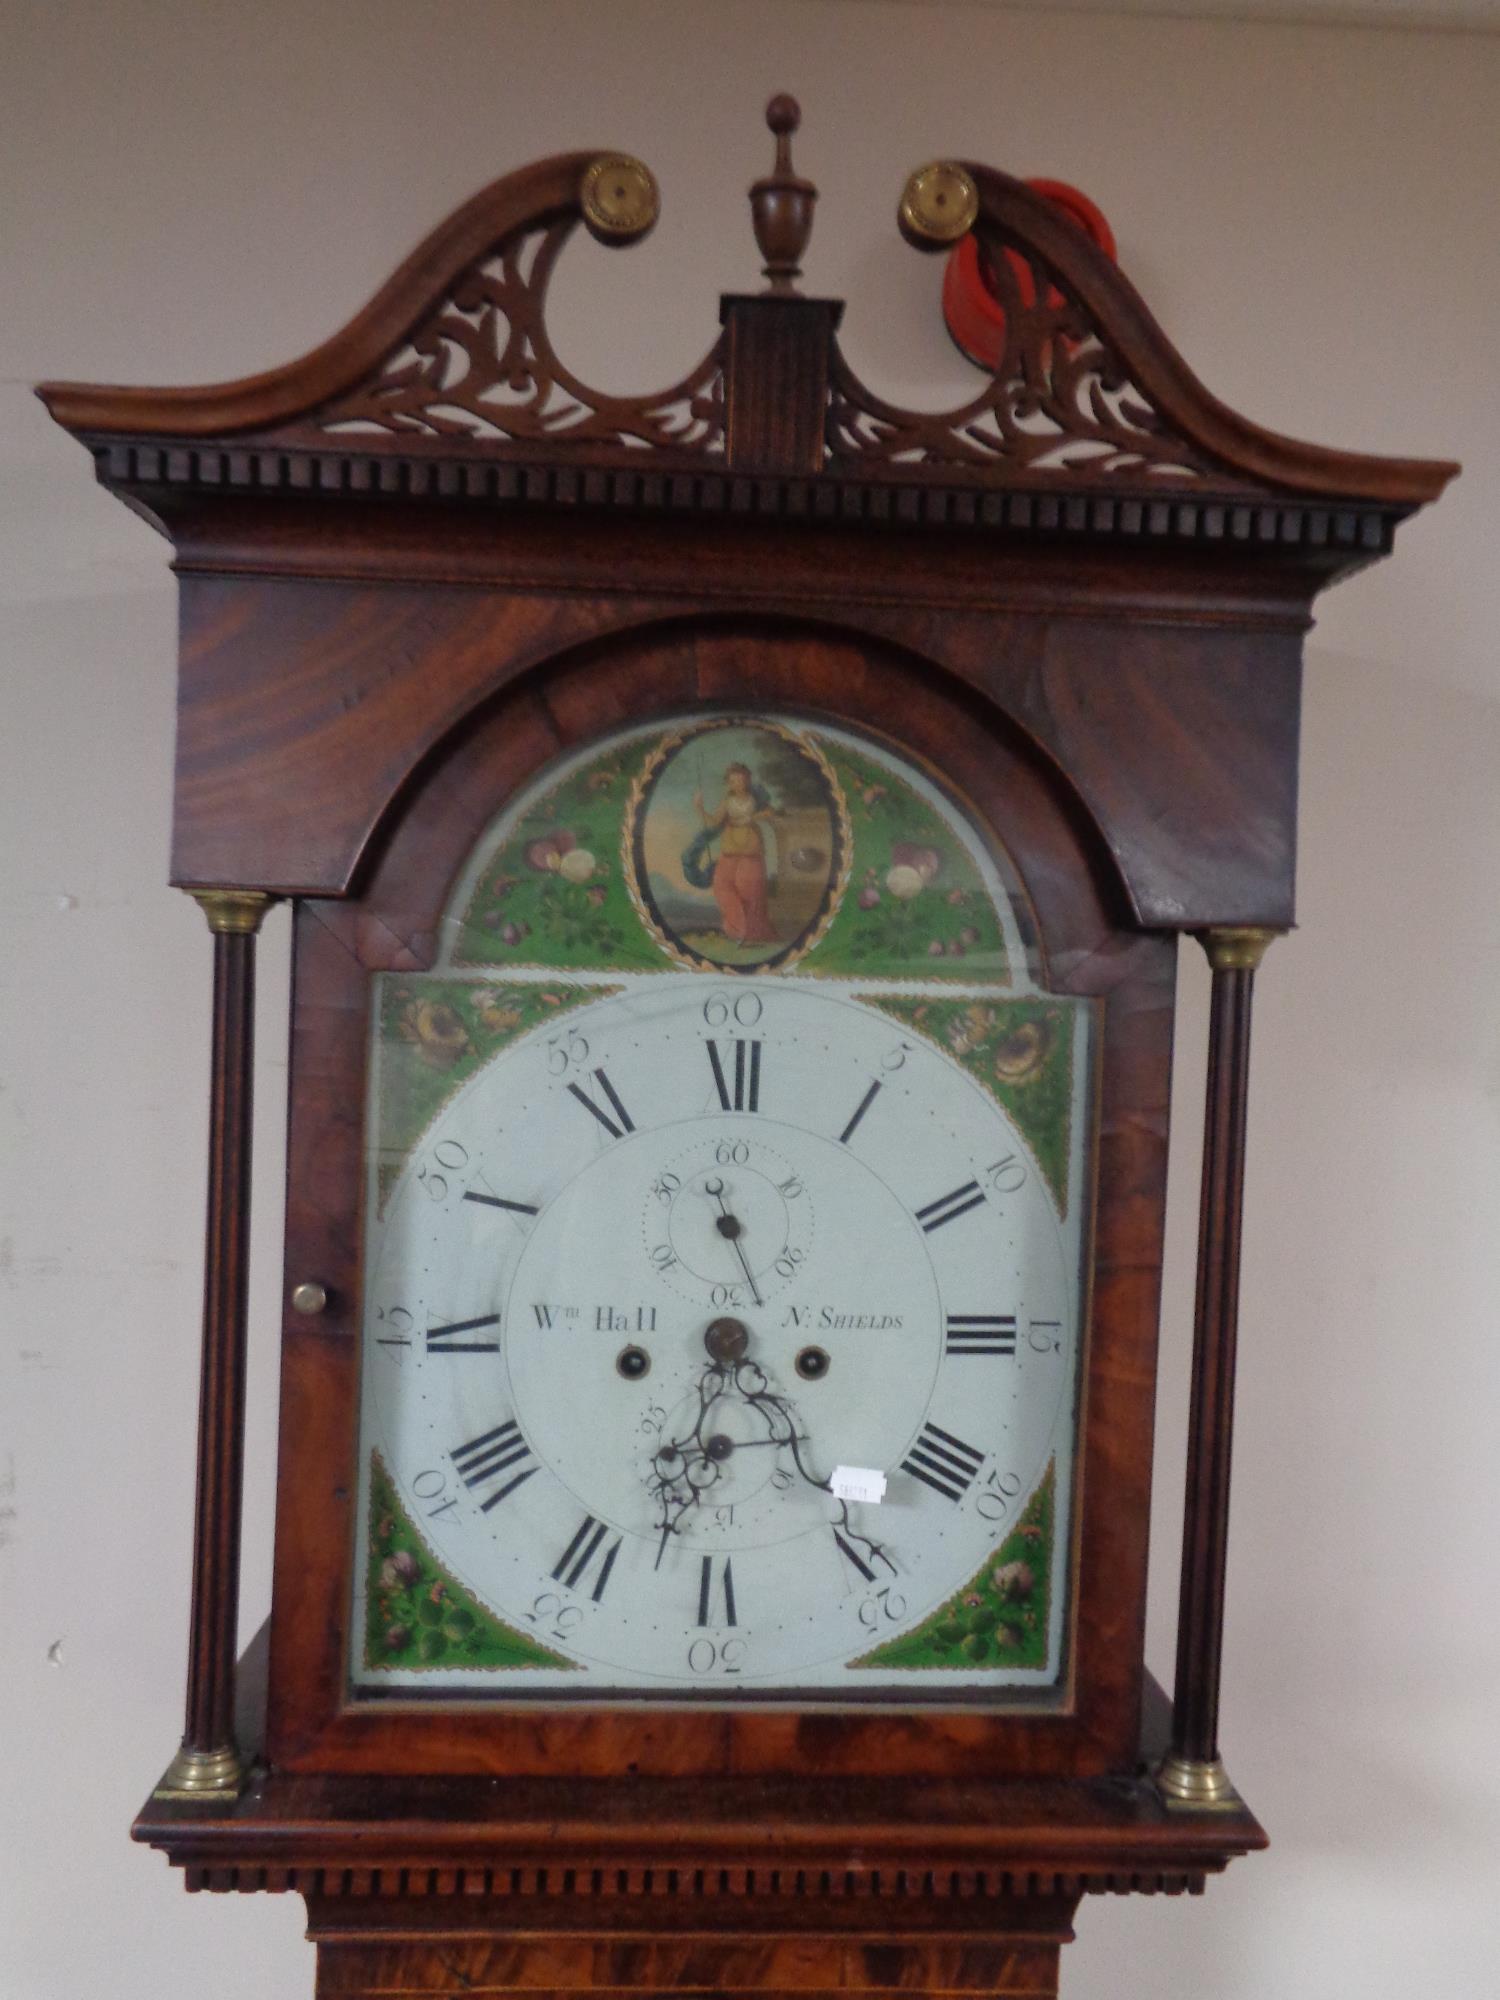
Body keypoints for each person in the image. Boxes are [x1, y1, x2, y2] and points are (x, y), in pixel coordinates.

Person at [692, 762, 778, 945]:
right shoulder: (727, 801)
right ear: (729, 783)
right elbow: (715, 822)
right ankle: (738, 928)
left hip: (750, 848)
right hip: (729, 847)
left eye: (741, 779)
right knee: (721, 886)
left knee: (750, 891)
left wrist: (751, 817)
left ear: (747, 780)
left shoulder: (755, 797)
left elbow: (770, 811)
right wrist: (699, 808)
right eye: (733, 780)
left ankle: (751, 933)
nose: (737, 783)